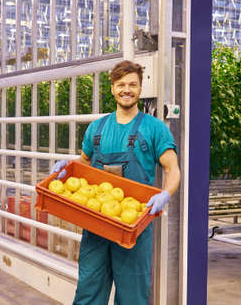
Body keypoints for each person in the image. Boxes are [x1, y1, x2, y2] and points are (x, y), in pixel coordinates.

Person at [50, 60, 180, 305]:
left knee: (132, 295)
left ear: (141, 89)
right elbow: (85, 162)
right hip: (96, 222)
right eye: (121, 84)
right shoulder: (96, 129)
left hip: (133, 226)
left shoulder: (155, 129)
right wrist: (68, 166)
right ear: (112, 88)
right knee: (89, 289)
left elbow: (172, 168)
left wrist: (166, 193)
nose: (126, 90)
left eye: (133, 84)